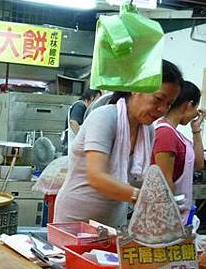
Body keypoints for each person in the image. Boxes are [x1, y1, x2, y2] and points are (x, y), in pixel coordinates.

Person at [54, 60, 183, 227]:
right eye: (158, 99)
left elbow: (137, 179)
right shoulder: (105, 118)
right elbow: (97, 177)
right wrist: (145, 198)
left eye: (169, 104)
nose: (162, 110)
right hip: (75, 220)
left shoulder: (147, 130)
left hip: (113, 223)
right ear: (136, 89)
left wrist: (163, 198)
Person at [151, 81, 204, 221]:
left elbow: (199, 164)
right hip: (166, 217)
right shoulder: (165, 133)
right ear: (189, 105)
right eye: (195, 108)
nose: (194, 115)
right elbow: (165, 182)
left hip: (178, 214)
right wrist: (168, 220)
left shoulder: (175, 134)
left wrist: (196, 129)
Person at [62, 89, 101, 155]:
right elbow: (73, 122)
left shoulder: (85, 109)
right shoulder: (80, 105)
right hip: (71, 146)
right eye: (97, 99)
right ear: (91, 97)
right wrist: (82, 139)